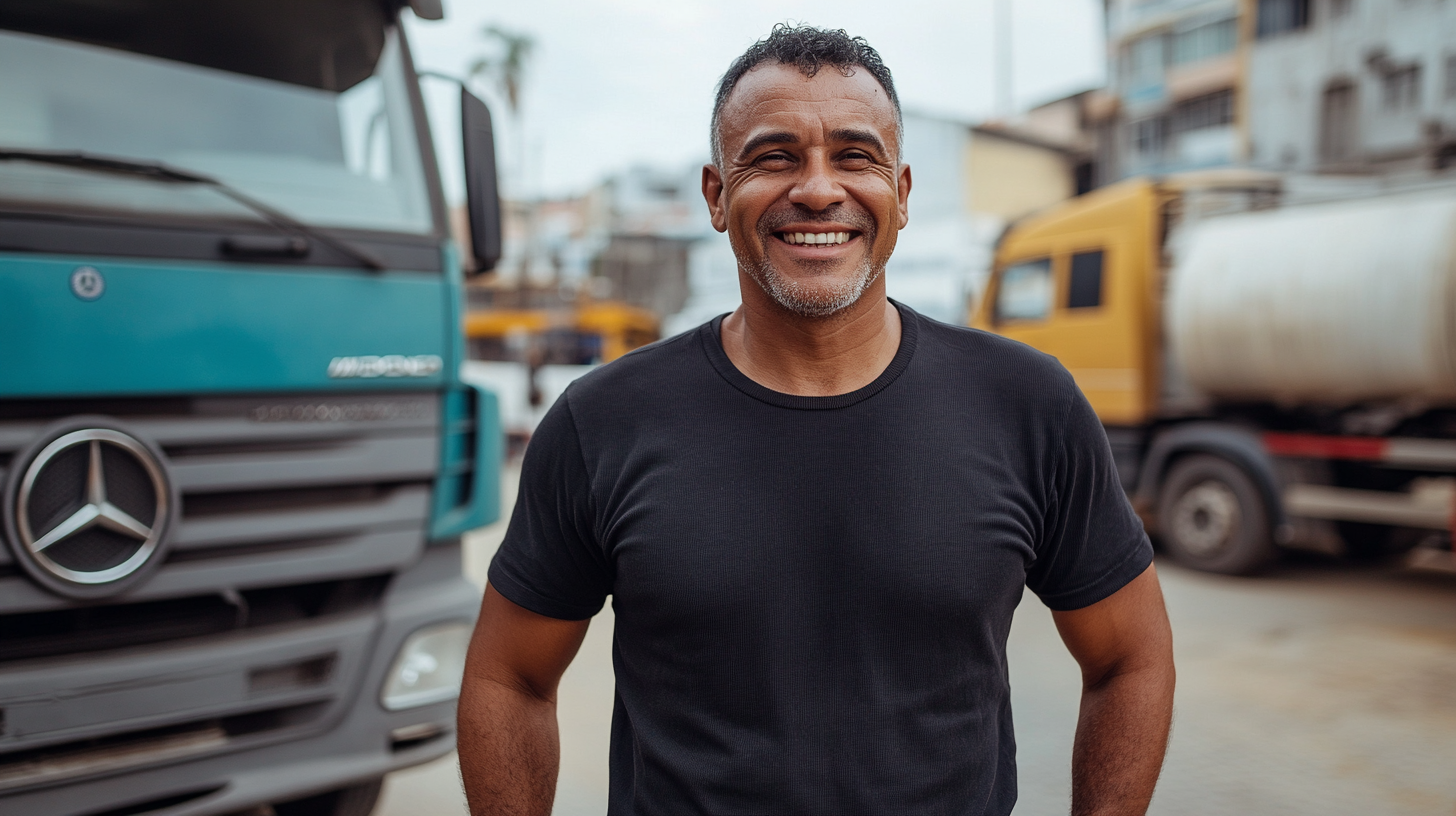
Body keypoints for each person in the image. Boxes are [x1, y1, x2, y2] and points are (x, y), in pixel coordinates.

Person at [458, 23, 1175, 816]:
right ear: (716, 195)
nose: (819, 190)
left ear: (900, 194)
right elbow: (510, 680)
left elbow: (1131, 660)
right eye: (773, 157)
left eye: (855, 156)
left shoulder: (1027, 405)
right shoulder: (603, 423)